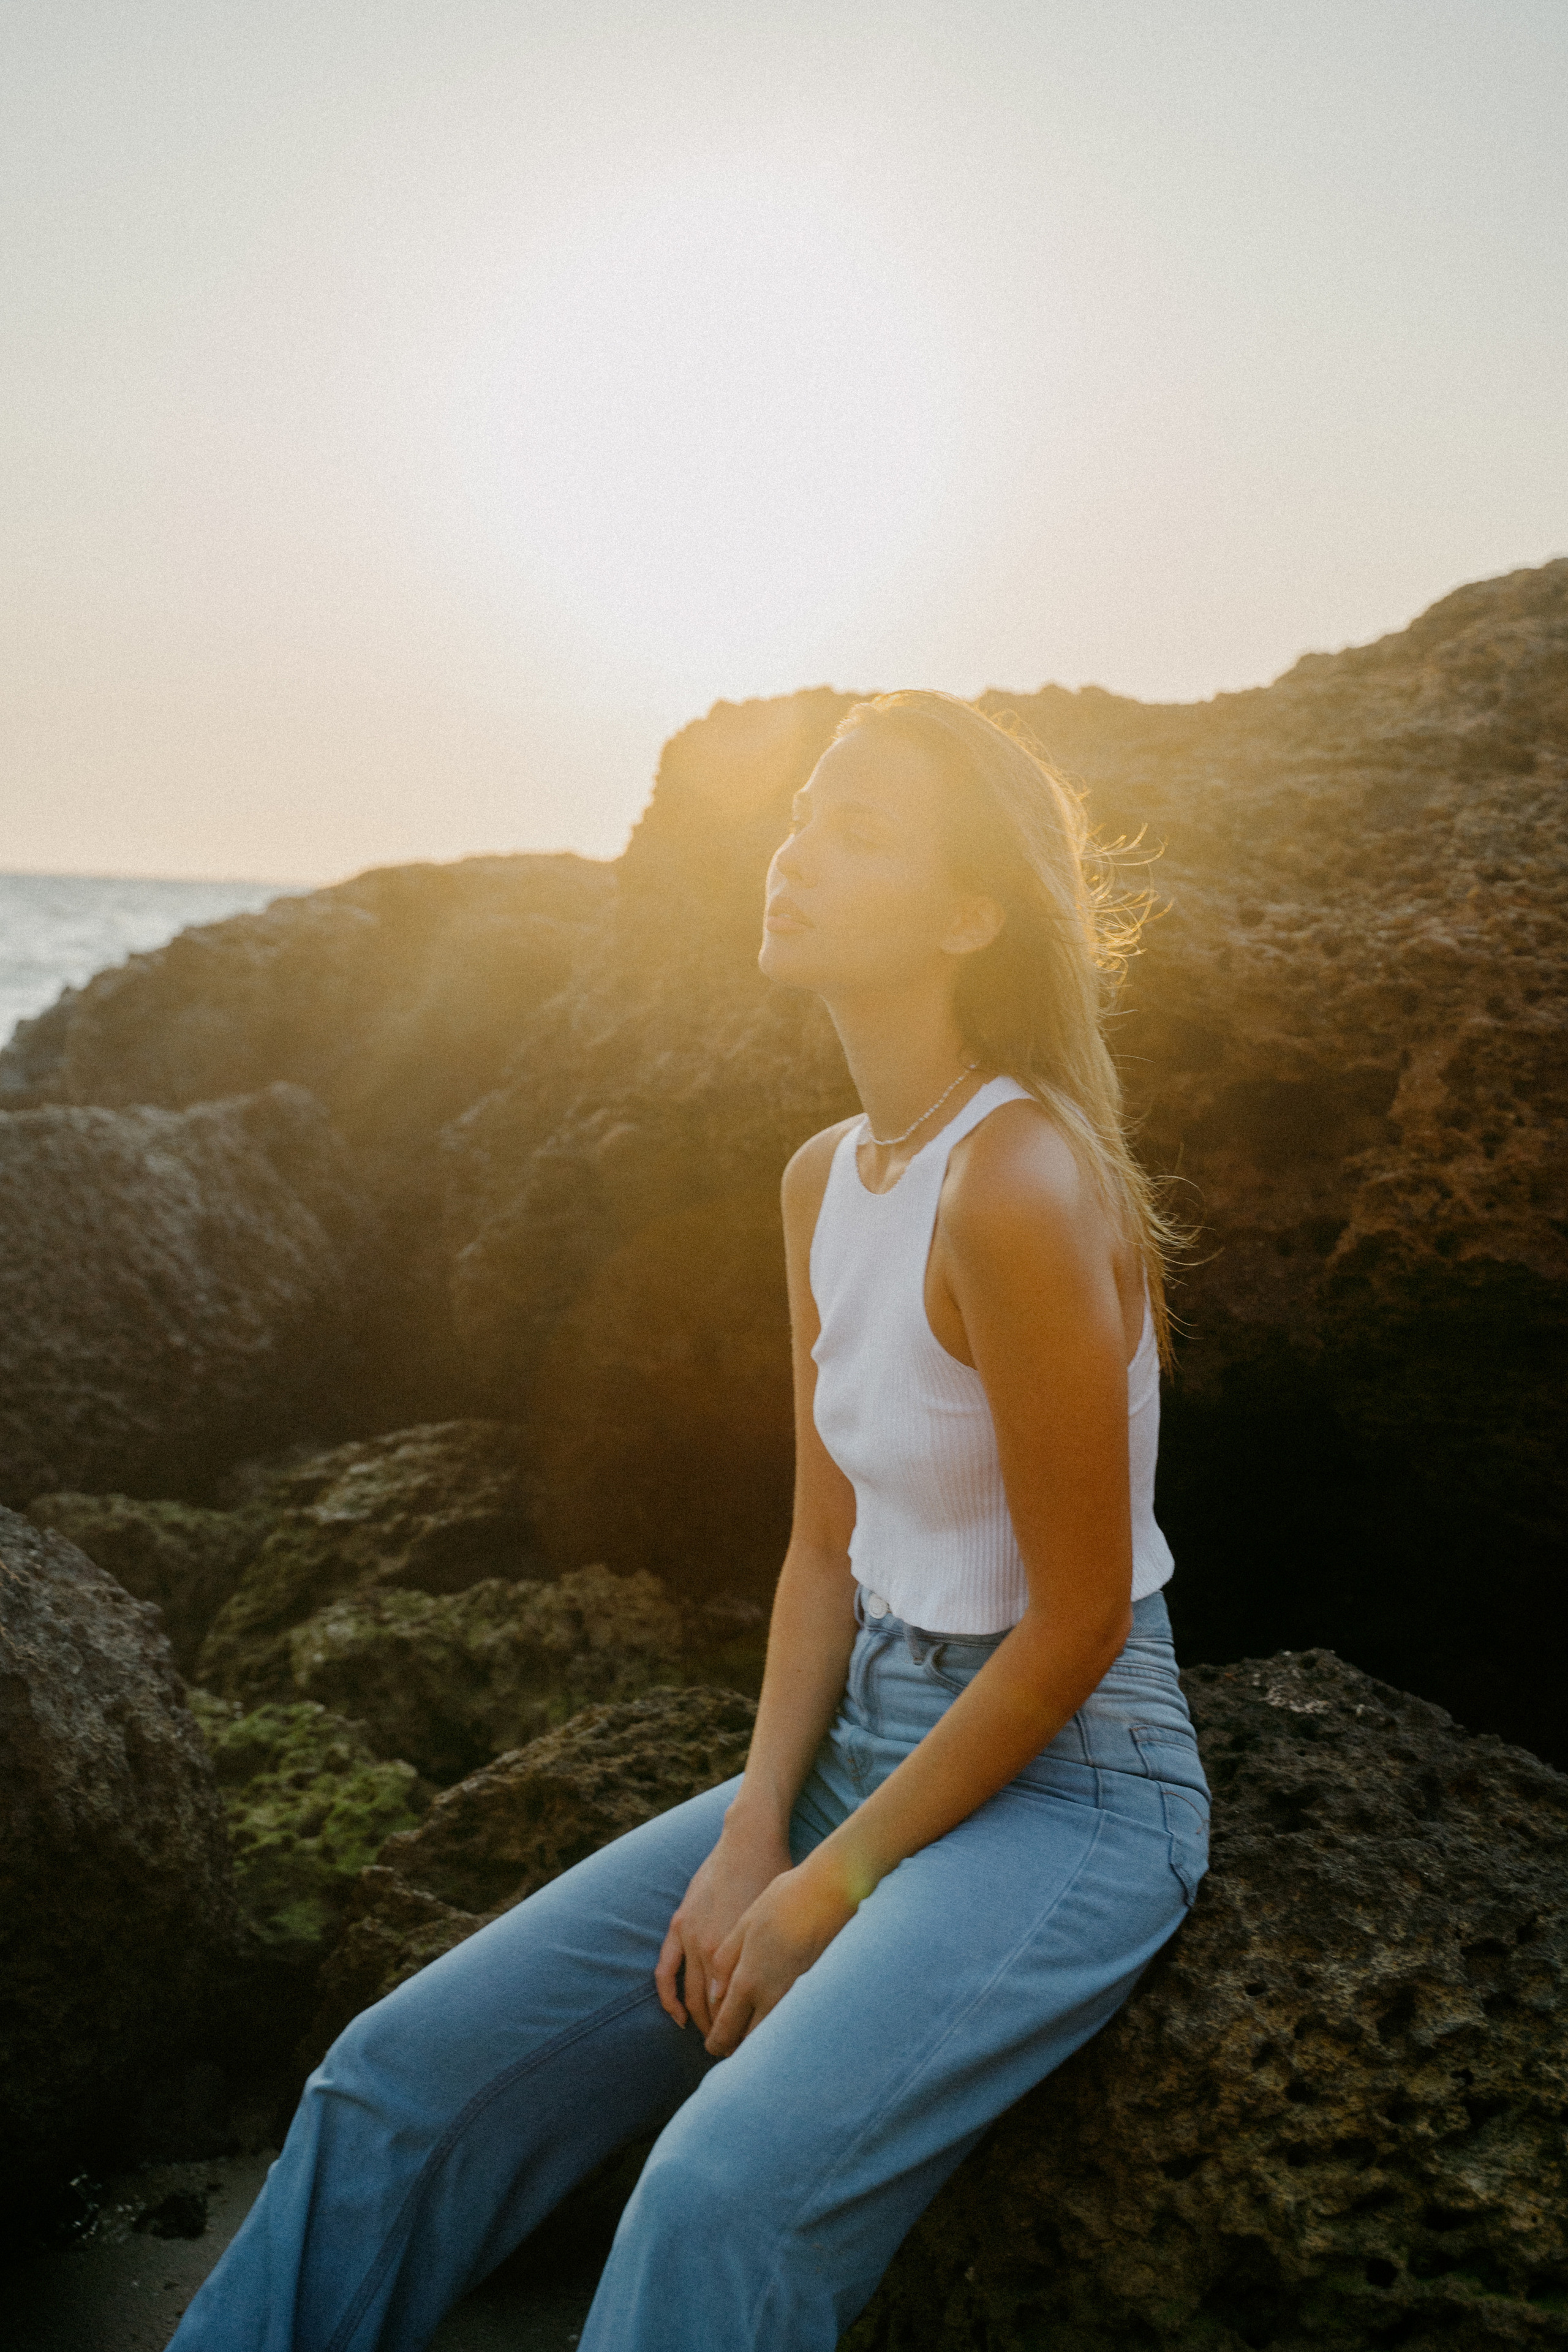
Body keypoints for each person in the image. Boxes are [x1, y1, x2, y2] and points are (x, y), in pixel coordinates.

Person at [167, 691, 1209, 2352]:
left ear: (970, 914)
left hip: (1071, 1792)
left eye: (858, 833)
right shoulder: (825, 1178)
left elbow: (1079, 1618)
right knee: (396, 2079)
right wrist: (751, 1838)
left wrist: (829, 1886)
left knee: (716, 2199)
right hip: (862, 1737)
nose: (796, 856)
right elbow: (822, 1554)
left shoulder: (1015, 1181)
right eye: (799, 819)